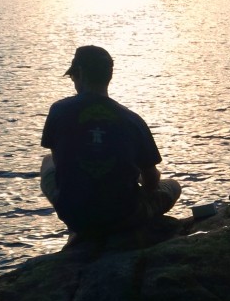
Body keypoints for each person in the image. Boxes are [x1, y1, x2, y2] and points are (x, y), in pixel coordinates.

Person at [40, 45, 181, 235]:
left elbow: (61, 164)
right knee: (173, 186)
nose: (73, 81)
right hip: (123, 217)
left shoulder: (58, 110)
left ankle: (80, 231)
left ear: (80, 72)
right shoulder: (132, 120)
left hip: (74, 215)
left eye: (73, 76)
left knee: (48, 162)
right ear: (109, 76)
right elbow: (151, 181)